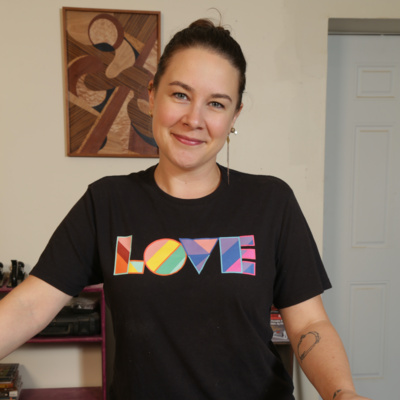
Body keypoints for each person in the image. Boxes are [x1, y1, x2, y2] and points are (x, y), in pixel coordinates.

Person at [0, 18, 371, 400]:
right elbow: (29, 306)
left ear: (234, 117)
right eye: (180, 95)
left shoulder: (271, 202)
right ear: (151, 95)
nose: (194, 119)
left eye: (216, 104)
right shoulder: (107, 202)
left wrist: (343, 393)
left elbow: (309, 324)